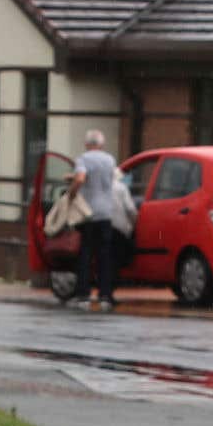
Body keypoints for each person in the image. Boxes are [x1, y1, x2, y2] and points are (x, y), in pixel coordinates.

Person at [72, 131, 134, 311]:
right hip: (106, 214)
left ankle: (83, 294)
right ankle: (105, 295)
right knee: (104, 256)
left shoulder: (82, 159)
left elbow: (81, 178)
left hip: (88, 214)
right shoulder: (110, 160)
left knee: (85, 255)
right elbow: (106, 181)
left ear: (86, 144)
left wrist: (72, 192)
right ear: (101, 144)